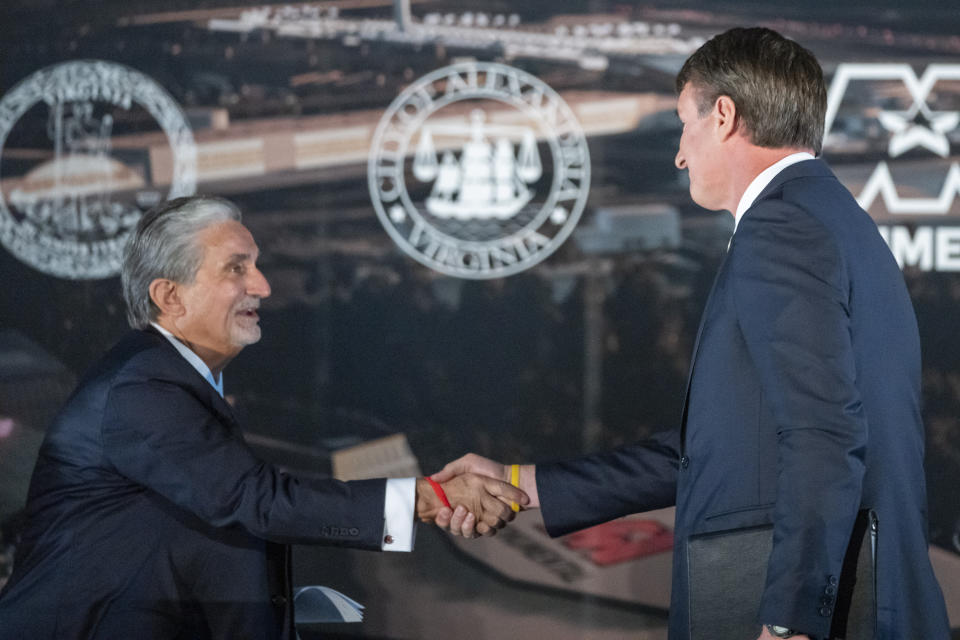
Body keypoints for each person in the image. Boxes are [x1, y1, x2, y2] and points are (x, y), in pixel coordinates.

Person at [433, 27, 950, 640]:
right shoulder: (831, 218)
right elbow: (709, 452)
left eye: (685, 123)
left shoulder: (782, 228)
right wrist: (519, 483)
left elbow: (824, 433)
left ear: (725, 116)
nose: (680, 153)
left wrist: (788, 623)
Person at [0, 196, 527, 639]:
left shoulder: (169, 381)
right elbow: (255, 501)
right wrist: (430, 498)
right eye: (237, 268)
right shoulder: (142, 389)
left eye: (255, 264)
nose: (264, 285)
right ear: (170, 296)